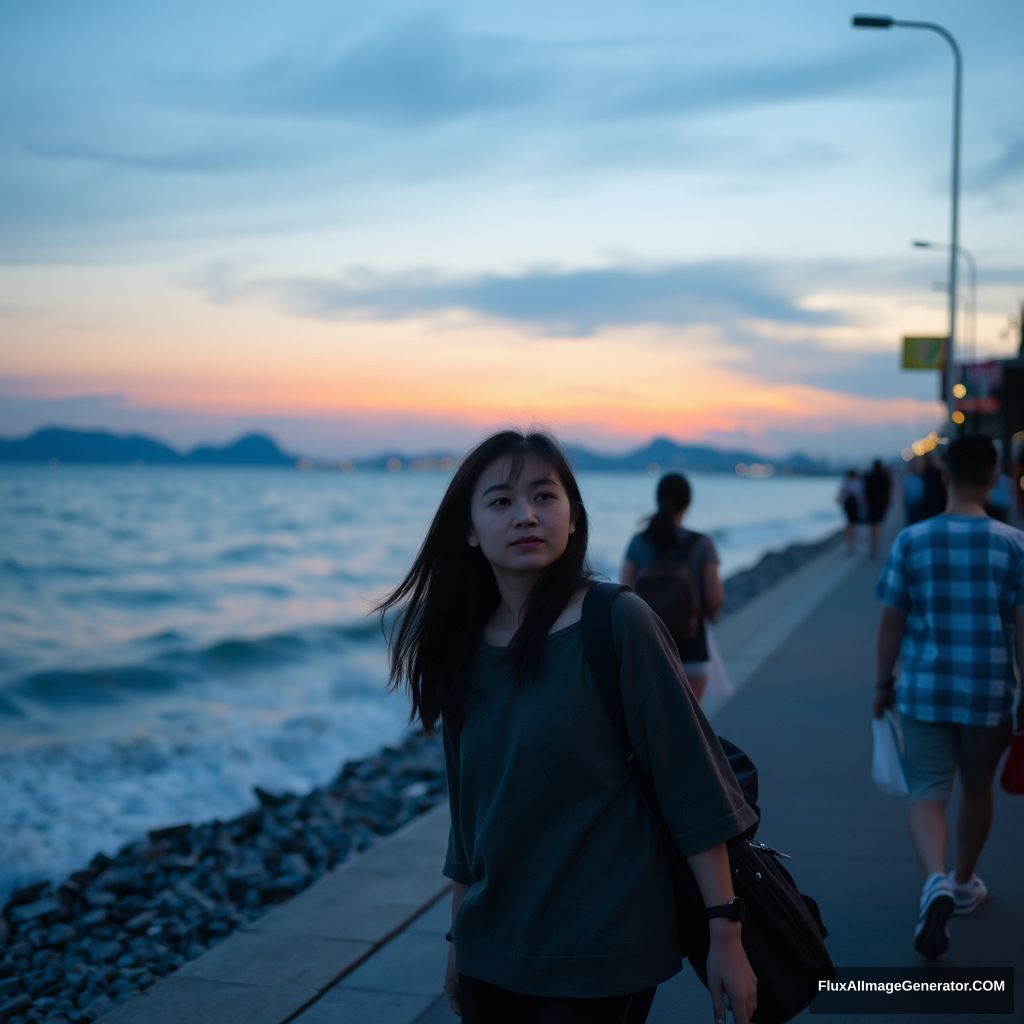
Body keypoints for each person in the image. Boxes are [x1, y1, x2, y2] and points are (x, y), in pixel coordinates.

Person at [378, 431, 758, 1024]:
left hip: (604, 950)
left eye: (544, 497)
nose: (526, 515)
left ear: (573, 518)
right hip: (491, 950)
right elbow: (470, 815)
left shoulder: (618, 622)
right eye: (501, 501)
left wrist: (724, 934)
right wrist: (459, 940)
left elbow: (695, 786)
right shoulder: (461, 645)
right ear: (469, 529)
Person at [874, 434, 1024, 960]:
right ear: (993, 478)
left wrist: (881, 684)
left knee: (928, 789)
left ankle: (933, 879)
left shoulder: (913, 541)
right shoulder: (1014, 544)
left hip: (923, 689)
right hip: (990, 693)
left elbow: (892, 621)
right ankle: (962, 882)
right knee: (978, 787)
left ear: (944, 476)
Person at [620, 473, 724, 702]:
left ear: (657, 500)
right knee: (691, 723)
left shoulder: (639, 541)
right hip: (692, 647)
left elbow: (623, 594)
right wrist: (706, 618)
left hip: (648, 647)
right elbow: (714, 597)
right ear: (688, 503)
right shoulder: (702, 544)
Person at [862, 459, 892, 557]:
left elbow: (865, 491)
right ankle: (876, 546)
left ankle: (872, 547)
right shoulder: (885, 477)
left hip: (871, 505)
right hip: (881, 505)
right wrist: (887, 504)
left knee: (872, 526)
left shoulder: (869, 476)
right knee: (878, 525)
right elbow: (888, 492)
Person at [836, 469, 863, 554]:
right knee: (853, 524)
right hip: (854, 506)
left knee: (849, 523)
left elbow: (841, 496)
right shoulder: (857, 483)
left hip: (847, 506)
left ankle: (850, 543)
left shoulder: (845, 483)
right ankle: (852, 543)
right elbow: (860, 496)